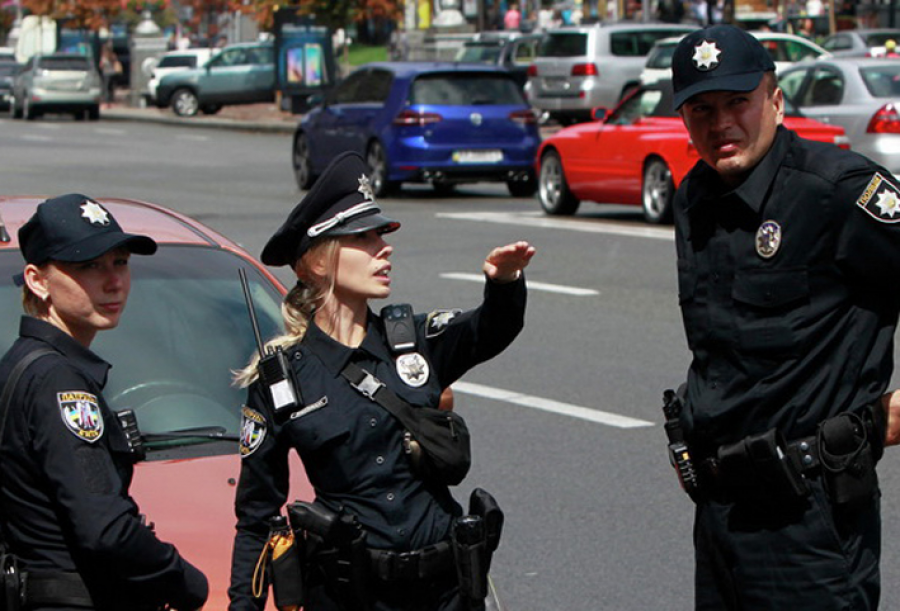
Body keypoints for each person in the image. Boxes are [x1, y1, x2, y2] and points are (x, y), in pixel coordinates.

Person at [228, 151, 535, 611]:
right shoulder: (282, 378)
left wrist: (505, 282)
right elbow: (256, 516)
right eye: (363, 238)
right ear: (315, 262)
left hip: (445, 591)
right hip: (352, 595)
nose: (384, 247)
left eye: (382, 235)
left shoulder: (412, 341)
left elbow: (489, 330)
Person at [668, 25, 900, 610]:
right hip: (719, 514)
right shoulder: (695, 197)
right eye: (702, 109)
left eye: (738, 103)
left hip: (810, 519)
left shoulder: (834, 190)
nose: (721, 124)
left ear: (774, 100)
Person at [0, 194, 209, 610]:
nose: (113, 281)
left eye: (121, 262)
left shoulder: (23, 363)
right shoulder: (59, 381)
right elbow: (104, 527)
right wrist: (183, 580)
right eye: (88, 267)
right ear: (38, 281)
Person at [98, 42, 121, 108]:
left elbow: (101, 66)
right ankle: (111, 101)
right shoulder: (113, 55)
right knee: (111, 88)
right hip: (113, 73)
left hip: (106, 73)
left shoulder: (104, 57)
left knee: (106, 88)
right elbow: (115, 62)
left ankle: (106, 102)